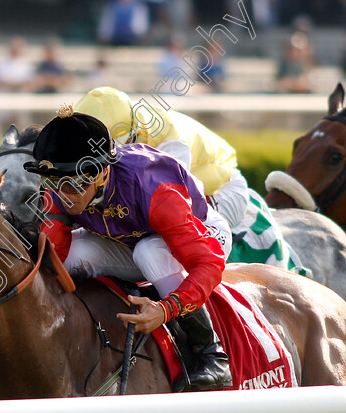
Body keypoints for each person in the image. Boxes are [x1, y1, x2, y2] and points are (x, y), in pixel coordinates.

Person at [23, 107, 232, 391]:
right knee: (75, 254)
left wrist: (165, 309)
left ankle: (211, 355)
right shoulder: (62, 191)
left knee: (149, 252)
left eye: (72, 185)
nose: (63, 196)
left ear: (100, 173)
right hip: (130, 241)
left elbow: (207, 263)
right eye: (53, 182)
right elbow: (54, 259)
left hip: (201, 235)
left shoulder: (155, 189)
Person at [72, 86, 305, 273]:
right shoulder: (127, 128)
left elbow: (169, 209)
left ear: (131, 135)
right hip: (179, 186)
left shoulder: (170, 143)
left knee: (151, 250)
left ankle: (200, 327)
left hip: (219, 190)